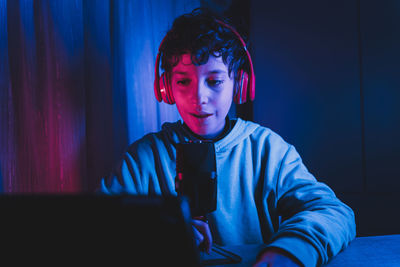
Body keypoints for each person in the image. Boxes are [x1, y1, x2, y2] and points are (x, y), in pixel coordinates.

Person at [99, 8, 356, 267]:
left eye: (215, 81)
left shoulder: (268, 150)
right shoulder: (143, 160)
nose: (199, 97)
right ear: (166, 88)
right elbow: (98, 228)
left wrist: (290, 251)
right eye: (183, 82)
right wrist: (161, 233)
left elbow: (333, 212)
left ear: (240, 83)